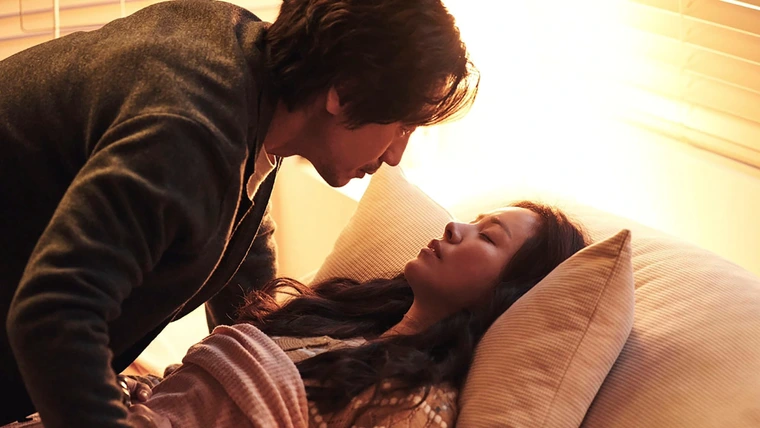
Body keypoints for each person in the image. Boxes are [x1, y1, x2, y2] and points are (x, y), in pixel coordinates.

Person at [0, 0, 479, 426]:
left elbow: (238, 237)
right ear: (346, 91)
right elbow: (57, 314)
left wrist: (271, 340)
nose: (395, 154)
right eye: (404, 125)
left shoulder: (244, 71)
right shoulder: (191, 131)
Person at [113, 201, 589, 427]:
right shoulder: (344, 316)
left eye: (487, 237)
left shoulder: (413, 407)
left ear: (508, 294)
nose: (455, 226)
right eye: (475, 219)